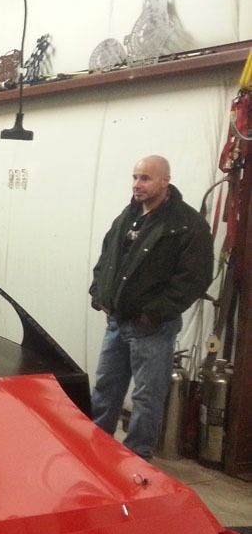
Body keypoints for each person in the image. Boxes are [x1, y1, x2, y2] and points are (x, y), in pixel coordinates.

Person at [89, 155, 213, 459]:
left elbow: (194, 279)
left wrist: (152, 313)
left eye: (145, 178)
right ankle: (94, 450)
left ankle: (138, 459)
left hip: (152, 328)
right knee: (106, 389)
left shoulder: (186, 224)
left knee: (146, 398)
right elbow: (108, 257)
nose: (137, 184)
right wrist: (99, 292)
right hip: (118, 322)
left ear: (164, 181)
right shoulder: (129, 215)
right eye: (135, 177)